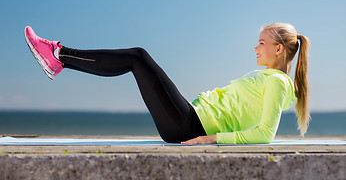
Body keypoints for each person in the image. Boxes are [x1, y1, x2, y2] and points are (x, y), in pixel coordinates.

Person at [24, 23, 310, 144]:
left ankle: (58, 55)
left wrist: (210, 140)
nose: (255, 48)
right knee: (137, 58)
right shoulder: (268, 79)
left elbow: (264, 135)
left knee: (138, 57)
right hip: (188, 118)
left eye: (261, 43)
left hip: (189, 126)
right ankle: (58, 57)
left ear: (279, 50)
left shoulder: (277, 83)